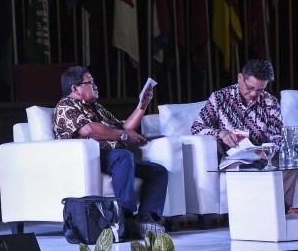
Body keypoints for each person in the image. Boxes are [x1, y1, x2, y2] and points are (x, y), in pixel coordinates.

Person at [53, 66, 168, 237]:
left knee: (158, 171)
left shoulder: (96, 107)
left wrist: (142, 105)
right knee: (123, 157)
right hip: (88, 159)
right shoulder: (66, 106)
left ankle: (145, 219)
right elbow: (89, 130)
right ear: (75, 88)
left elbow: (125, 127)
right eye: (90, 82)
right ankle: (125, 217)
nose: (95, 86)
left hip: (113, 157)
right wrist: (123, 136)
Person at [192, 59, 298, 210]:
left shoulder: (270, 102)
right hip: (232, 155)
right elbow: (197, 127)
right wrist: (221, 133)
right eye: (250, 88)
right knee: (244, 169)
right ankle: (250, 213)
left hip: (262, 154)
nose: (254, 93)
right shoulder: (220, 98)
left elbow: (277, 135)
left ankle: (282, 211)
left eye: (260, 90)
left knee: (291, 165)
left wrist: (270, 148)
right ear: (240, 78)